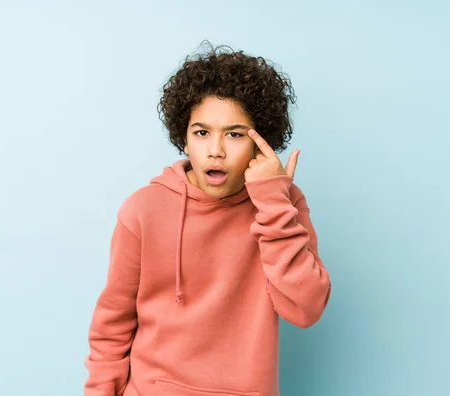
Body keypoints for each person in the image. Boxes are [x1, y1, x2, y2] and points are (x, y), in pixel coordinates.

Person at [84, 42, 332, 396]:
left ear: (262, 143)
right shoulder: (143, 210)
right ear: (184, 139)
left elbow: (305, 310)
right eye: (202, 133)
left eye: (234, 134)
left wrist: (274, 202)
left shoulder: (282, 203)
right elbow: (112, 327)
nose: (215, 149)